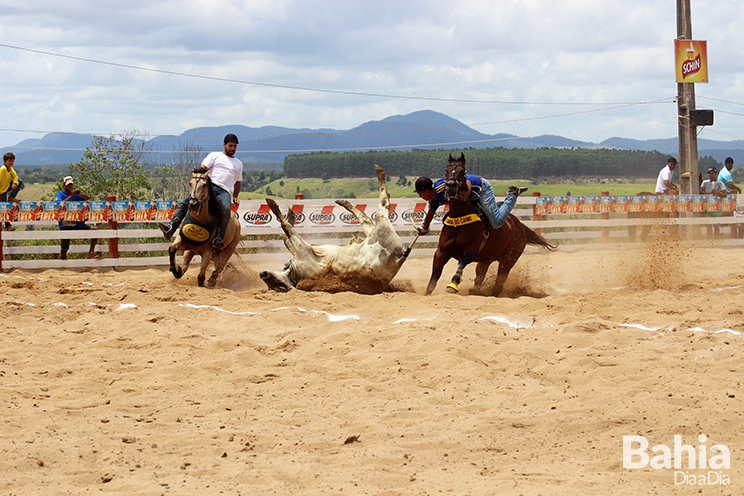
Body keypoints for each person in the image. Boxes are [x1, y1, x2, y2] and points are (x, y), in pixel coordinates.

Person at [160, 133, 242, 248]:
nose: (233, 148)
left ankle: (218, 237)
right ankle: (171, 227)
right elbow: (204, 167)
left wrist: (235, 196)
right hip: (210, 187)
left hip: (224, 191)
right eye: (230, 146)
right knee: (186, 202)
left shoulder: (238, 164)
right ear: (224, 145)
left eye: (234, 146)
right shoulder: (214, 156)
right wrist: (201, 170)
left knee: (226, 210)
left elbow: (238, 182)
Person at [414, 174, 527, 235]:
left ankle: (512, 195)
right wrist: (424, 228)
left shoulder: (443, 187)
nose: (420, 196)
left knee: (496, 223)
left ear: (426, 191)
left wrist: (467, 192)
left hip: (481, 189)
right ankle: (491, 206)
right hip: (469, 197)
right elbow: (430, 213)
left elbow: (466, 180)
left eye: (420, 193)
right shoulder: (434, 199)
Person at [56, 176, 101, 260]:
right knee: (65, 244)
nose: (70, 186)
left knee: (95, 231)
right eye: (68, 185)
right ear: (64, 185)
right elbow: (59, 204)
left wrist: (80, 194)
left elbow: (87, 198)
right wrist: (71, 197)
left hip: (78, 222)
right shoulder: (61, 194)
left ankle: (91, 252)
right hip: (66, 223)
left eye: (71, 185)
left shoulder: (77, 196)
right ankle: (62, 260)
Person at [0, 152, 25, 231]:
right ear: (4, 161)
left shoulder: (10, 169)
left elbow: (15, 176)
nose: (11, 163)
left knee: (19, 181)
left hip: (6, 188)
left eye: (12, 161)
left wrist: (14, 183)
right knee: (5, 208)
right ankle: (8, 225)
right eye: (9, 161)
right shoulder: (3, 169)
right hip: (1, 191)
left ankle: (11, 197)